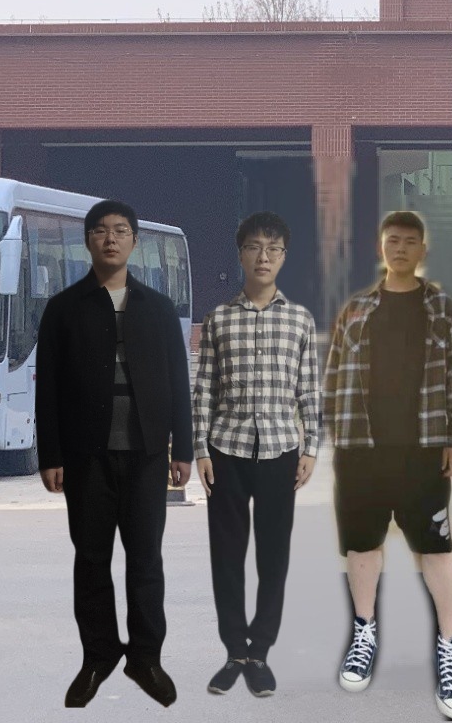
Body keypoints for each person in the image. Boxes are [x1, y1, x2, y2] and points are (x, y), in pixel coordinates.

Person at [36, 199, 194, 709]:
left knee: (146, 560)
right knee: (91, 559)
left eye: (121, 231)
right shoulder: (64, 309)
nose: (111, 239)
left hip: (147, 455)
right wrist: (50, 454)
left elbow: (179, 382)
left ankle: (146, 658)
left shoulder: (159, 308)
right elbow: (48, 387)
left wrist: (184, 448)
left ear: (134, 242)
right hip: (86, 457)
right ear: (88, 241)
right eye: (101, 231)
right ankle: (98, 655)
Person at [322, 210, 452, 721]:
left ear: (422, 250)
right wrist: (337, 436)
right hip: (361, 448)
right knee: (362, 544)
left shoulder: (441, 308)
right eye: (392, 240)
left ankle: (450, 646)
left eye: (410, 241)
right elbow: (334, 373)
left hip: (422, 448)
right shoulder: (357, 308)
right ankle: (363, 633)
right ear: (381, 248)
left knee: (436, 546)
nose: (400, 248)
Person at [192, 211, 323, 699]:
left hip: (281, 451)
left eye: (273, 248)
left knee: (273, 555)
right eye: (254, 247)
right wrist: (199, 448)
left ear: (283, 257)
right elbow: (204, 389)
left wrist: (311, 448)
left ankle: (260, 652)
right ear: (241, 254)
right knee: (226, 556)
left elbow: (309, 391)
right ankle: (233, 652)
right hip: (226, 449)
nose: (263, 256)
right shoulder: (220, 319)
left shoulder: (300, 320)